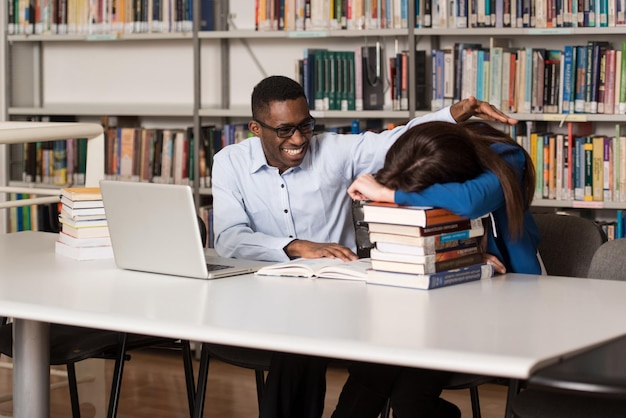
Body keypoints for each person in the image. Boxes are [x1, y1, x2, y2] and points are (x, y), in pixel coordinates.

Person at [210, 75, 518, 418]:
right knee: (295, 340)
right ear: (256, 128)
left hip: (342, 299)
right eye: (284, 130)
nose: (298, 139)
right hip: (267, 297)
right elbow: (228, 238)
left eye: (305, 126)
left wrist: (457, 112)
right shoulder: (229, 163)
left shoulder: (334, 150)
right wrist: (296, 247)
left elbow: (397, 139)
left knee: (305, 342)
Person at [331, 120, 542, 418]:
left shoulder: (506, 156)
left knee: (409, 397)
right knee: (372, 369)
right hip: (444, 295)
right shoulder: (423, 151)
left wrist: (390, 194)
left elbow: (471, 201)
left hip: (508, 300)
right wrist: (461, 255)